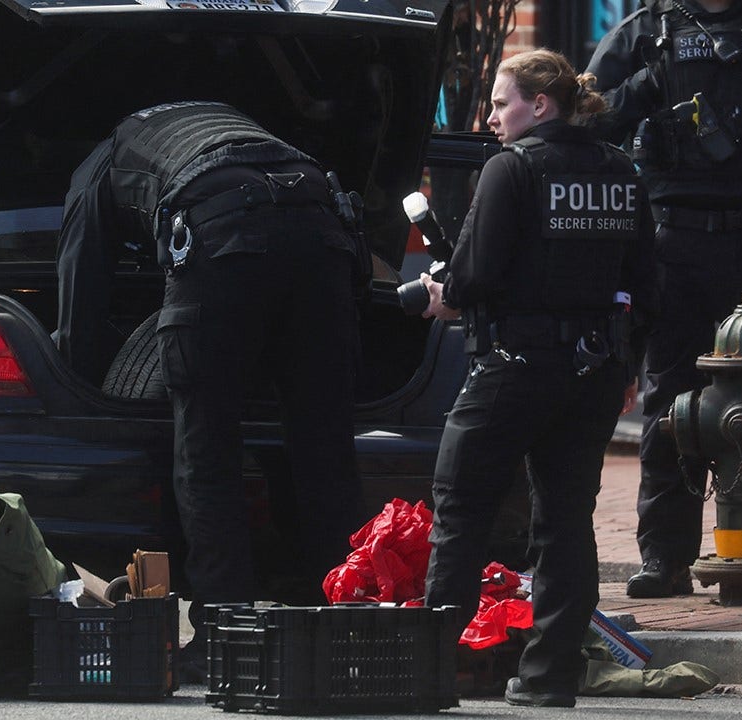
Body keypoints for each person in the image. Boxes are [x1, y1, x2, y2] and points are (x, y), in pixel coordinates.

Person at [53, 101, 367, 673]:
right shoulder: (239, 122)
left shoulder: (107, 156)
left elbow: (82, 283)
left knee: (208, 448)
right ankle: (346, 622)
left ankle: (228, 631)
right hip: (323, 228)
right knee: (325, 447)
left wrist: (80, 382)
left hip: (221, 238)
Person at [408, 49, 654, 708]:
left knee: (459, 512)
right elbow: (647, 283)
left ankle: (430, 673)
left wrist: (442, 293)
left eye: (500, 102)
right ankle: (551, 678)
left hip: (512, 369)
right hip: (594, 374)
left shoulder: (511, 169)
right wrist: (628, 364)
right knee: (565, 521)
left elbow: (473, 278)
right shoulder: (622, 171)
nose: (491, 118)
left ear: (538, 105)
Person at [586, 0, 742, 599]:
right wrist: (647, 85)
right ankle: (666, 558)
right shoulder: (644, 33)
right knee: (670, 405)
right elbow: (586, 130)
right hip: (675, 240)